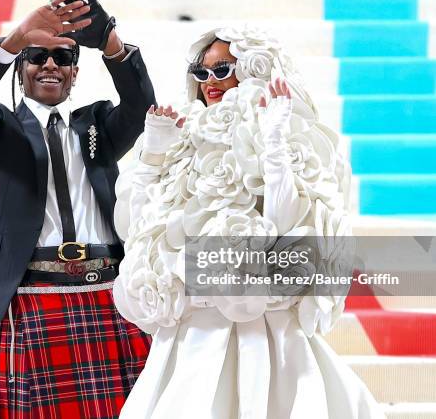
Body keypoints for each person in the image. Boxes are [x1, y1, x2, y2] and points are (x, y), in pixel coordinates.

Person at [112, 26, 385, 418]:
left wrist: (273, 144)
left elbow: (288, 223)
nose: (209, 83)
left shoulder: (288, 131)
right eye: (200, 73)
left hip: (262, 325)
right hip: (194, 325)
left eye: (221, 69)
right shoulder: (184, 136)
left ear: (254, 68)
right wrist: (153, 157)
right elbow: (135, 228)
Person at [0, 0, 154, 418]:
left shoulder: (97, 125)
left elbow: (141, 107)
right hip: (35, 293)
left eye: (64, 58)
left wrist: (110, 42)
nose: (50, 65)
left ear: (76, 72)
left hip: (109, 291)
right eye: (37, 57)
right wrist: (17, 38)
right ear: (20, 69)